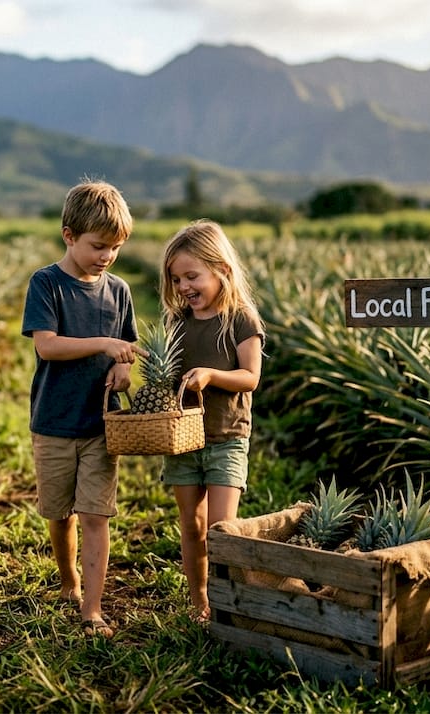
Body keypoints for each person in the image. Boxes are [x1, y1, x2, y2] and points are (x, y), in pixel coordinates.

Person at [22, 180, 139, 638]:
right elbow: (48, 347)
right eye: (98, 246)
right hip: (52, 420)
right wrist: (106, 343)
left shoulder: (120, 291)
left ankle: (92, 608)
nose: (106, 256)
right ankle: (67, 577)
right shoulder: (46, 283)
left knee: (95, 515)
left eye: (114, 248)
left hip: (100, 423)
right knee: (58, 513)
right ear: (69, 235)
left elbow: (124, 351)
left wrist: (123, 368)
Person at [160, 219, 265, 622]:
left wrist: (210, 374)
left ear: (221, 269)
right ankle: (199, 600)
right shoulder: (177, 321)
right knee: (191, 526)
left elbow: (250, 377)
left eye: (192, 276)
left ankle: (228, 603)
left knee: (223, 530)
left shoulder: (241, 318)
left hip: (226, 438)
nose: (184, 286)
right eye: (176, 279)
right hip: (183, 439)